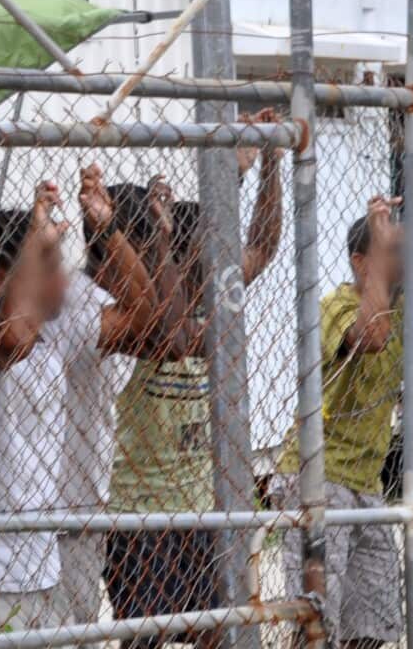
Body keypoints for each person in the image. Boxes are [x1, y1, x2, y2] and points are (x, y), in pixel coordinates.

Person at [275, 195, 413, 649]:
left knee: (373, 625)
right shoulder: (336, 306)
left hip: (366, 484)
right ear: (363, 264)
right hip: (317, 479)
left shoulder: (406, 312)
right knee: (317, 627)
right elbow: (372, 337)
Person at [105, 126, 282, 649]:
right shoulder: (141, 321)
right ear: (182, 256)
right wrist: (161, 241)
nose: (220, 266)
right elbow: (175, 338)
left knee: (216, 633)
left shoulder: (208, 307)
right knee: (146, 638)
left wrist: (270, 160)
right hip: (141, 519)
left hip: (203, 511)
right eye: (206, 252)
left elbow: (263, 247)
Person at [0, 167, 155, 633]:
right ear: (2, 276)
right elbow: (14, 337)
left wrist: (107, 230)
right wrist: (37, 239)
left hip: (42, 562)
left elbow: (145, 316)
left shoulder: (58, 334)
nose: (61, 280)